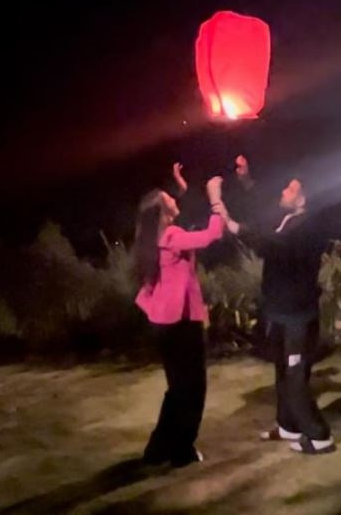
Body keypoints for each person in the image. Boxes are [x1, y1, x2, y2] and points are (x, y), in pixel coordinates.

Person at [215, 156, 335, 455]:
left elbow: (272, 244)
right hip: (280, 311)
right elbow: (265, 211)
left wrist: (230, 222)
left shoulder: (308, 228)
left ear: (303, 198)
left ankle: (319, 436)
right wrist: (246, 182)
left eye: (290, 189)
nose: (283, 191)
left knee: (295, 377)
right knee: (282, 371)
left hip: (298, 317)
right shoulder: (290, 219)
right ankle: (287, 426)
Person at [134, 175, 225, 467]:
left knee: (177, 390)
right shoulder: (172, 236)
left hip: (165, 323)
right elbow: (211, 235)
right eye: (170, 198)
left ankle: (157, 450)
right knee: (193, 390)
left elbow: (166, 211)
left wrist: (181, 190)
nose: (174, 198)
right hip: (182, 324)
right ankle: (182, 451)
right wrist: (215, 200)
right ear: (163, 212)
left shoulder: (154, 239)